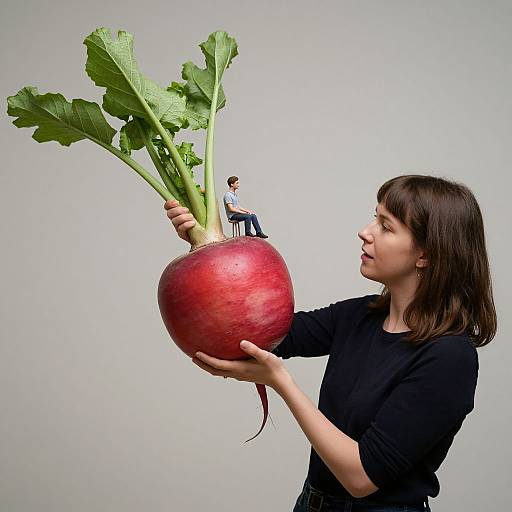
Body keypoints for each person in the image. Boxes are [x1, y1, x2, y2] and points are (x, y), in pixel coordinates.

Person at [164, 174, 497, 512]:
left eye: (386, 226)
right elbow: (254, 335)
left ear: (425, 254)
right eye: (374, 217)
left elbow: (362, 477)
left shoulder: (449, 357)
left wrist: (281, 383)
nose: (365, 231)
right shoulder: (359, 316)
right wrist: (204, 247)